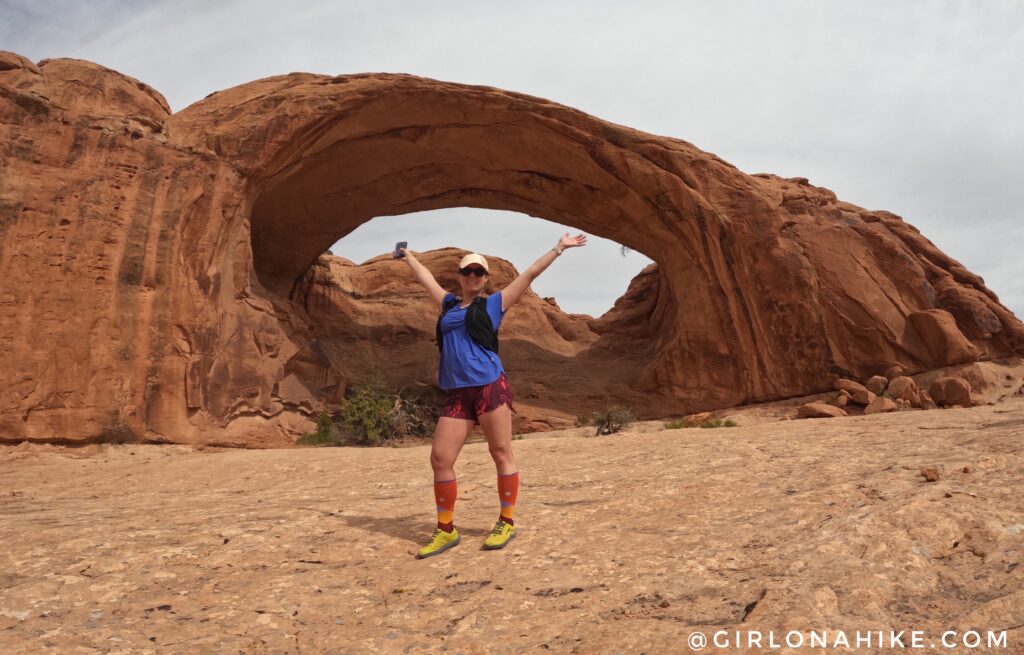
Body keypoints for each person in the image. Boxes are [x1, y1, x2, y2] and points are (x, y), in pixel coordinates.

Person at [398, 233, 587, 558]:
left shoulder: (494, 304)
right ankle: (446, 530)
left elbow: (528, 275)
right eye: (467, 271)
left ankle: (506, 521)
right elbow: (426, 278)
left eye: (478, 272)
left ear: (485, 279)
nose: (473, 276)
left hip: (489, 387)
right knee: (440, 459)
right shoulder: (448, 305)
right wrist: (407, 256)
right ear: (459, 276)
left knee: (500, 452)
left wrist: (559, 248)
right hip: (458, 393)